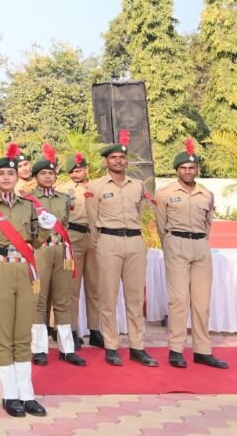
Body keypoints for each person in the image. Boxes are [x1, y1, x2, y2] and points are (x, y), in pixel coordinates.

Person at [0, 143, 47, 417]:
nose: (6, 177)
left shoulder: (29, 206)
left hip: (25, 271)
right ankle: (9, 394)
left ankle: (27, 394)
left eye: (10, 173)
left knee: (23, 333)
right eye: (1, 173)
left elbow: (36, 243)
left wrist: (45, 227)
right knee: (3, 335)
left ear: (17, 178)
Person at [85, 131, 158, 367]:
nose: (118, 161)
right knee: (108, 297)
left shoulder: (137, 185)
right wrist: (102, 244)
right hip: (108, 241)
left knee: (135, 298)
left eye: (121, 158)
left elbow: (139, 213)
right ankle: (111, 346)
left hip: (135, 241)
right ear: (106, 161)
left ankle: (137, 346)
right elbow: (92, 220)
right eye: (113, 158)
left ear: (126, 161)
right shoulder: (95, 187)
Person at [155, 139, 228, 369]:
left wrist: (201, 243)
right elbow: (160, 224)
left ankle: (202, 350)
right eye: (183, 168)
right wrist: (170, 245)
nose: (187, 171)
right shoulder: (165, 193)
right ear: (177, 170)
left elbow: (208, 224)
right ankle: (176, 349)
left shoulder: (206, 194)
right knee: (178, 301)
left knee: (202, 302)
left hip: (200, 247)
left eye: (191, 168)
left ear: (197, 169)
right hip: (176, 243)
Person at [27, 144, 84, 367]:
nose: (48, 176)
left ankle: (67, 348)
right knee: (39, 301)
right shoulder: (29, 200)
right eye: (43, 173)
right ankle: (39, 348)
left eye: (51, 173)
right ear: (35, 177)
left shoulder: (64, 199)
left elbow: (66, 224)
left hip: (62, 250)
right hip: (40, 250)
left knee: (63, 300)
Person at [62, 152, 102, 349]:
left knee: (95, 287)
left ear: (86, 169)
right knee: (72, 288)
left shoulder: (98, 187)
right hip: (74, 237)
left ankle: (95, 330)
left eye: (78, 170)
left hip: (95, 238)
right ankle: (73, 329)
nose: (75, 174)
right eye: (72, 171)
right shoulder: (64, 189)